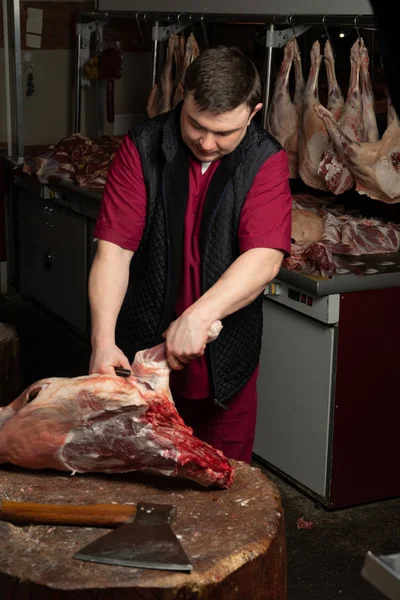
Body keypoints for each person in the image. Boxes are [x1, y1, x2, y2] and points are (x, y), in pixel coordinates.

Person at [88, 46, 292, 463]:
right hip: (139, 358)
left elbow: (265, 257)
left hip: (224, 366)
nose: (206, 142)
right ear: (183, 94)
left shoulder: (265, 159)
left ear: (252, 114)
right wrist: (102, 340)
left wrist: (197, 317)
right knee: (139, 478)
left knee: (222, 484)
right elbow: (115, 251)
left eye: (224, 133)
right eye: (196, 125)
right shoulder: (142, 147)